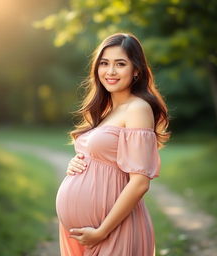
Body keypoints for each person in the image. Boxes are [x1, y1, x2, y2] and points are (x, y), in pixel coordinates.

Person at [56, 32, 170, 256]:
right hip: (83, 233)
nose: (110, 71)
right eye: (104, 63)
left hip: (113, 230)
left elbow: (140, 183)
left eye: (120, 64)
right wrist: (77, 166)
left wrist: (101, 231)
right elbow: (102, 157)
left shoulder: (138, 108)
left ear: (136, 70)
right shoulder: (107, 111)